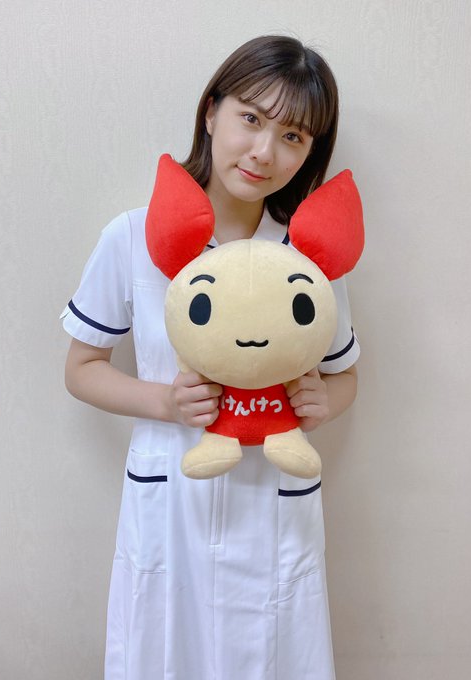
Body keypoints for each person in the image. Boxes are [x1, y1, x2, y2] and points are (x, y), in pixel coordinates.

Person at [62, 35, 360, 680]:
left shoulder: (306, 258)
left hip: (273, 501)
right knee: (163, 651)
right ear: (211, 112)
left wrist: (323, 403)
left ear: (310, 152)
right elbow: (81, 369)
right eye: (250, 118)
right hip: (173, 499)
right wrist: (165, 402)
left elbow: (344, 377)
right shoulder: (132, 236)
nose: (263, 151)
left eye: (292, 136)